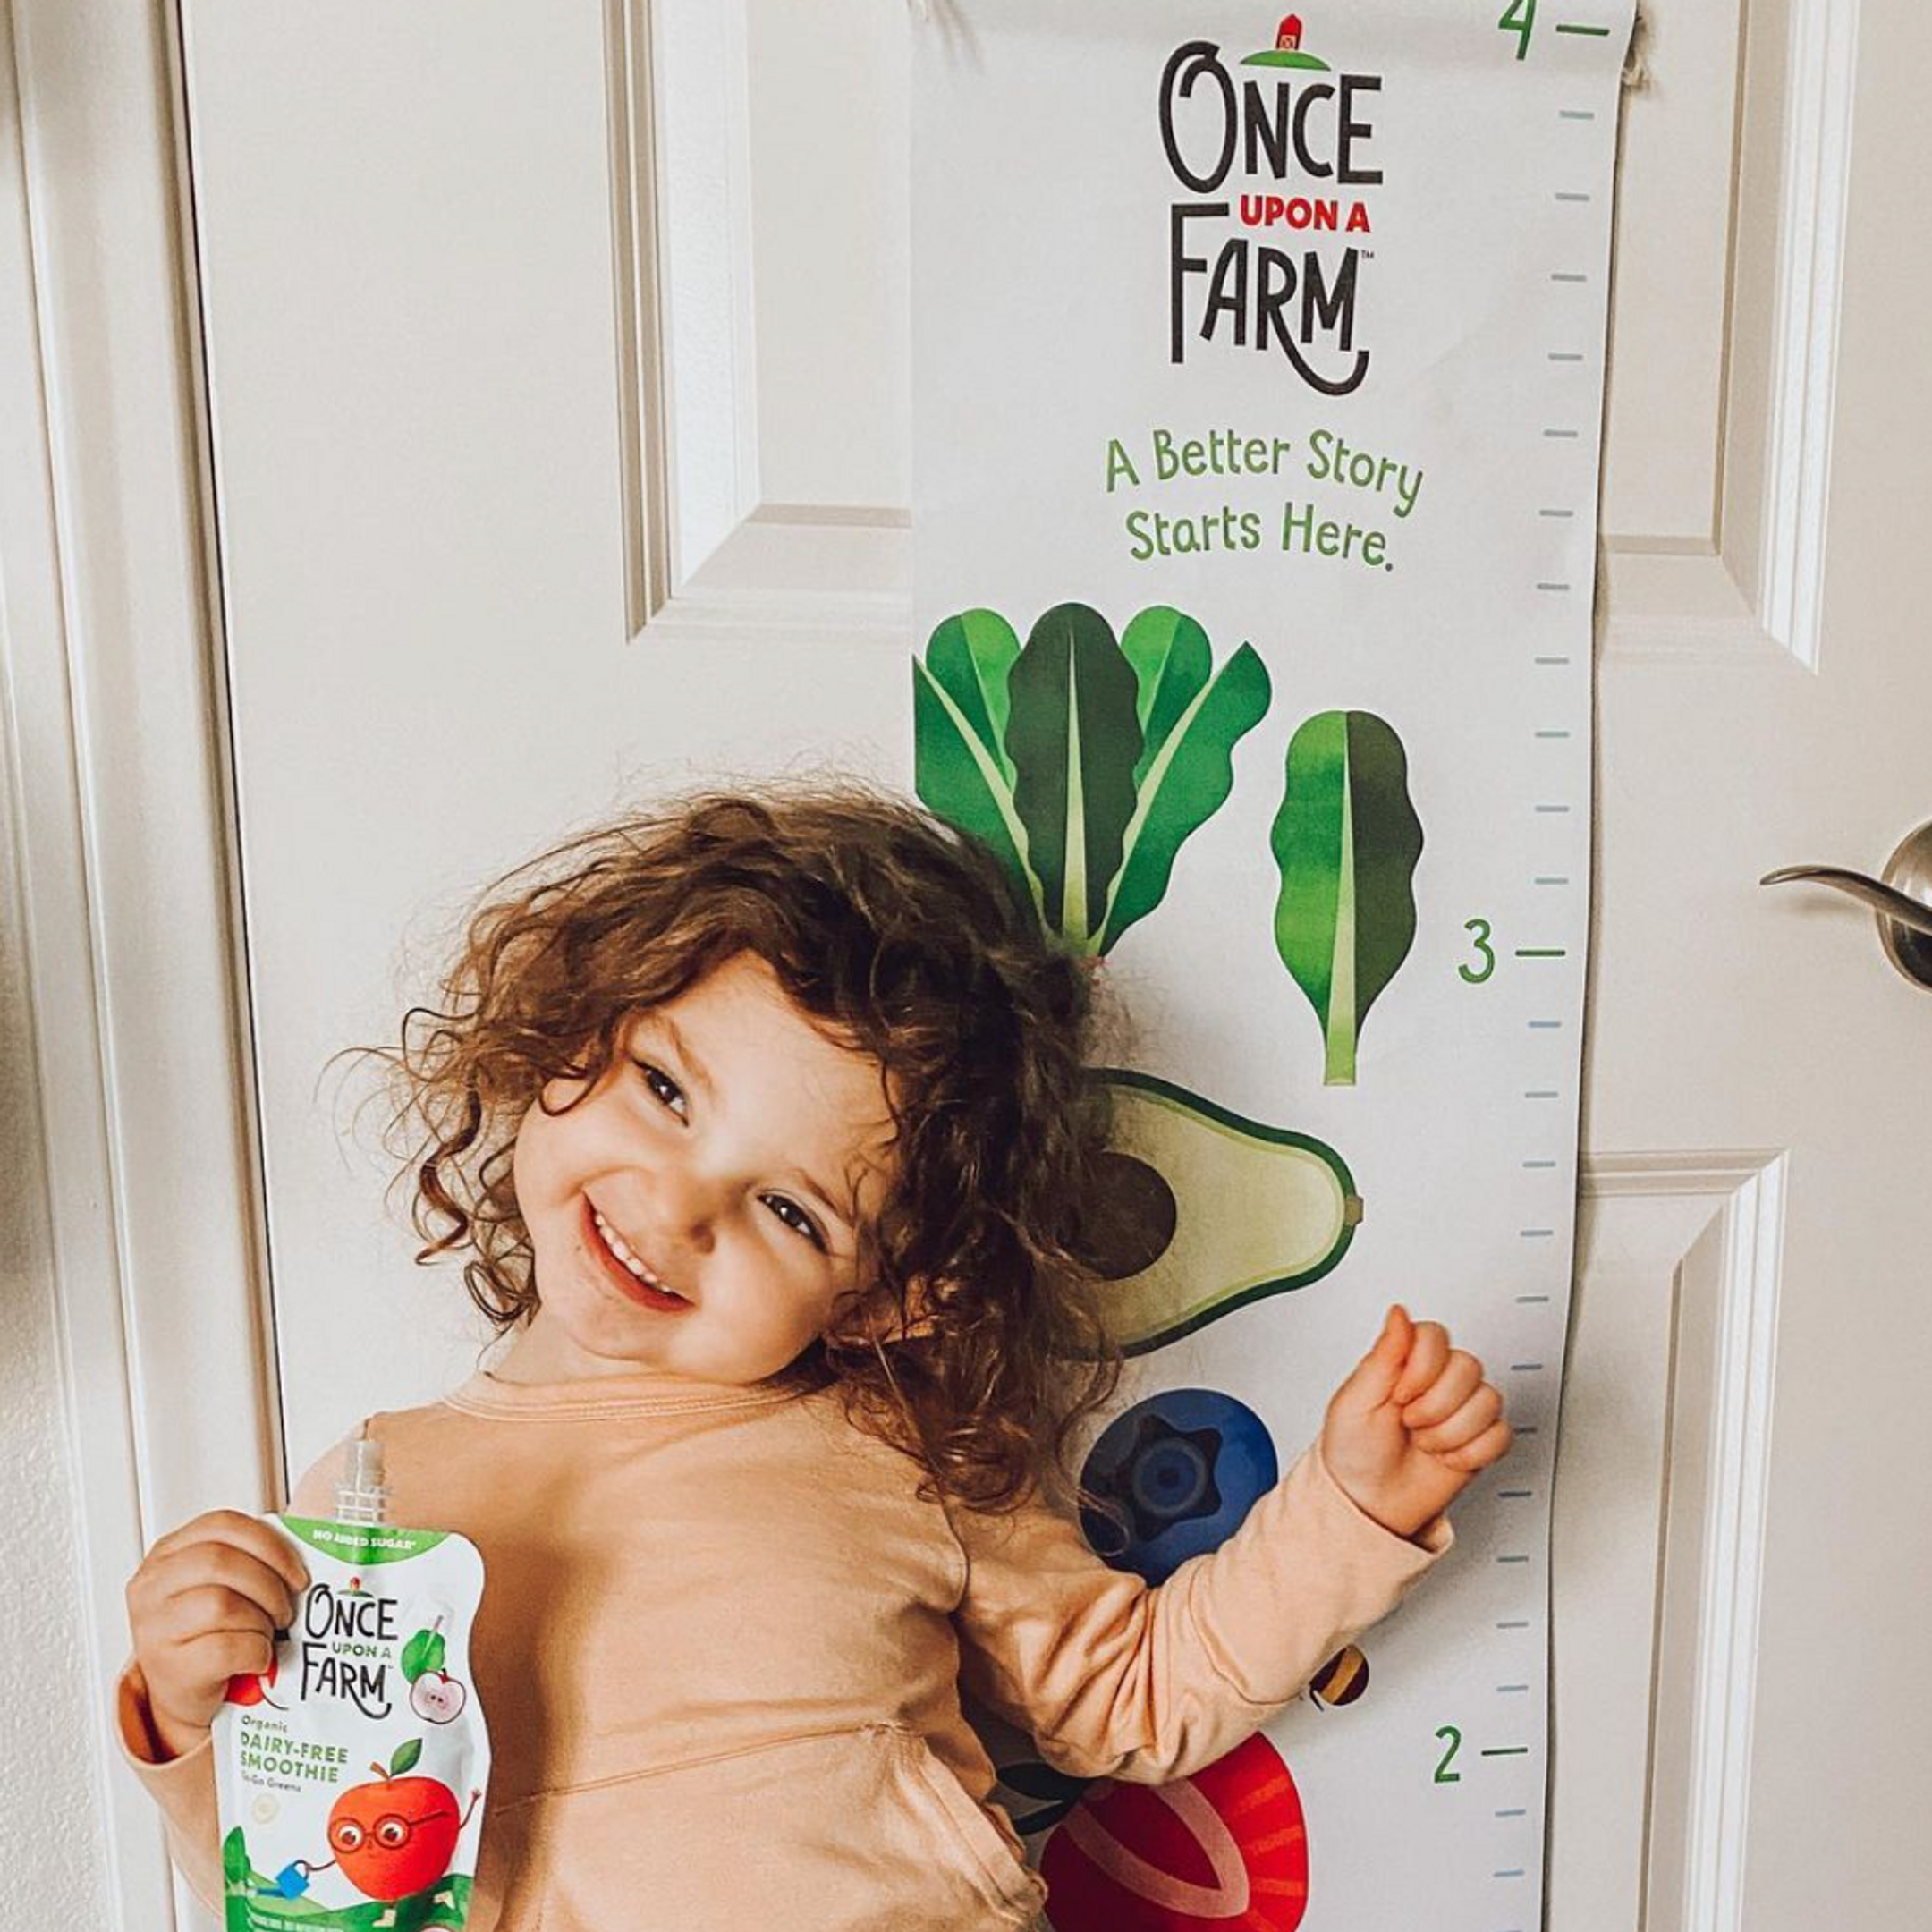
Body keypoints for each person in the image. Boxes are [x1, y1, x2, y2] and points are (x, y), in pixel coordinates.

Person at [115, 778, 1512, 1929]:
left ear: (886, 1298)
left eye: (789, 1208)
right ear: (573, 1026)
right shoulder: (375, 1492)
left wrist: (1349, 1511)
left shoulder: (893, 1454)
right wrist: (193, 1715)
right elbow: (310, 1873)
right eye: (664, 1089)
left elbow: (1133, 1699)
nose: (678, 1205)